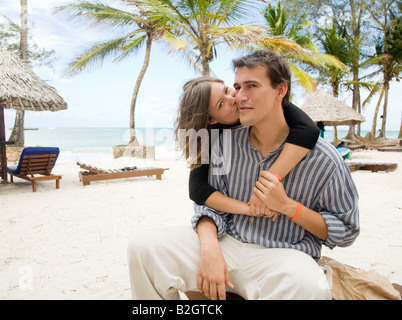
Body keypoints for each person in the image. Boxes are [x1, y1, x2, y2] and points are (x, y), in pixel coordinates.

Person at [128, 50, 360, 300]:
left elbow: (346, 230)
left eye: (252, 86)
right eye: (237, 87)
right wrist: (210, 249)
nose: (239, 97)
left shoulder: (323, 158)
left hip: (283, 254)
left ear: (280, 91)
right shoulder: (222, 143)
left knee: (308, 286)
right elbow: (205, 203)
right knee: (144, 248)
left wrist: (289, 207)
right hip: (227, 241)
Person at [176, 76, 319, 218]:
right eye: (221, 104)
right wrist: (249, 209)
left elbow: (308, 129)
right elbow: (197, 189)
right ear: (211, 120)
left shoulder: (260, 103)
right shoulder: (205, 136)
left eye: (227, 90)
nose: (233, 99)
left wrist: (264, 186)